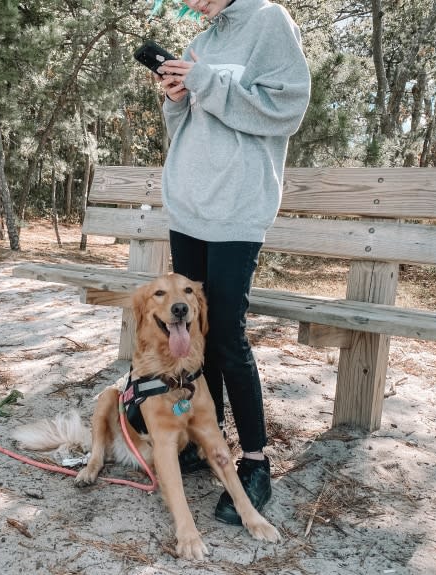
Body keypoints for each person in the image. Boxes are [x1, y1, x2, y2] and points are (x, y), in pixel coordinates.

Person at [154, 0, 311, 525]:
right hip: (189, 206)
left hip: (236, 207)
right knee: (195, 333)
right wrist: (178, 98)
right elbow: (190, 126)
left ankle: (256, 463)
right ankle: (209, 443)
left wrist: (205, 82)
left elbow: (288, 109)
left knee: (225, 335)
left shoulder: (269, 20)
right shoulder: (206, 37)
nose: (190, 3)